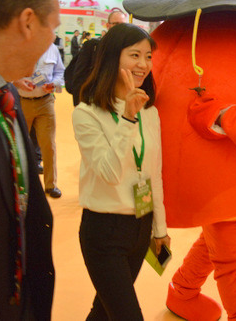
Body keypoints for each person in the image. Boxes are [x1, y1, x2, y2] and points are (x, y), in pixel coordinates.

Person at [73, 23, 169, 320]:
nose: (143, 65)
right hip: (104, 231)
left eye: (148, 57)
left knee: (104, 312)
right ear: (112, 56)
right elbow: (109, 174)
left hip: (141, 225)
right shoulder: (87, 113)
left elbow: (154, 173)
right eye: (134, 55)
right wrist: (127, 117)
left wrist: (160, 229)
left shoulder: (150, 111)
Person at [0, 0, 57, 320]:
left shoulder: (6, 95)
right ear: (28, 22)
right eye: (53, 27)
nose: (53, 39)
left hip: (19, 298)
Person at [13, 44, 65, 198]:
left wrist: (54, 84)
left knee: (49, 145)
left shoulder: (52, 49)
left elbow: (60, 72)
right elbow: (5, 71)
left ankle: (51, 185)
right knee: (19, 144)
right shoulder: (18, 46)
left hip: (45, 102)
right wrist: (16, 81)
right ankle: (19, 185)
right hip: (22, 102)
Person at [65, 9, 127, 105]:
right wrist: (78, 105)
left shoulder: (127, 50)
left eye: (122, 25)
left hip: (116, 103)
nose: (120, 28)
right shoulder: (92, 46)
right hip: (93, 102)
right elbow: (79, 78)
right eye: (116, 24)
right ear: (108, 25)